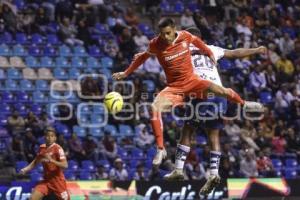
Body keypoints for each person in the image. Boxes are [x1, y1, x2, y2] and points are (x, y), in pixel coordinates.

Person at [112, 18, 263, 167]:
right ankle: (160, 149)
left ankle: (244, 104)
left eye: (168, 33)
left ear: (175, 30)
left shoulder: (186, 37)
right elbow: (144, 56)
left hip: (194, 83)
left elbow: (199, 44)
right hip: (177, 88)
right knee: (156, 108)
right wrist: (126, 73)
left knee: (196, 121)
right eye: (162, 34)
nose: (165, 37)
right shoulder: (157, 43)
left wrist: (208, 52)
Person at [163, 27, 266, 195]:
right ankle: (213, 173)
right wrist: (256, 50)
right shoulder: (211, 48)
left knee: (188, 130)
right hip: (219, 94)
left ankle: (179, 169)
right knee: (214, 134)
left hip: (201, 93)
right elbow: (235, 53)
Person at [20, 128, 70, 200]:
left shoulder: (58, 149)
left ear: (55, 138)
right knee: (32, 198)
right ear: (44, 137)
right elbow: (36, 161)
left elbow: (65, 165)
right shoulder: (42, 148)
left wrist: (52, 160)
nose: (49, 138)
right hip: (46, 181)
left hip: (58, 182)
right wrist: (26, 169)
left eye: (52, 136)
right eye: (48, 136)